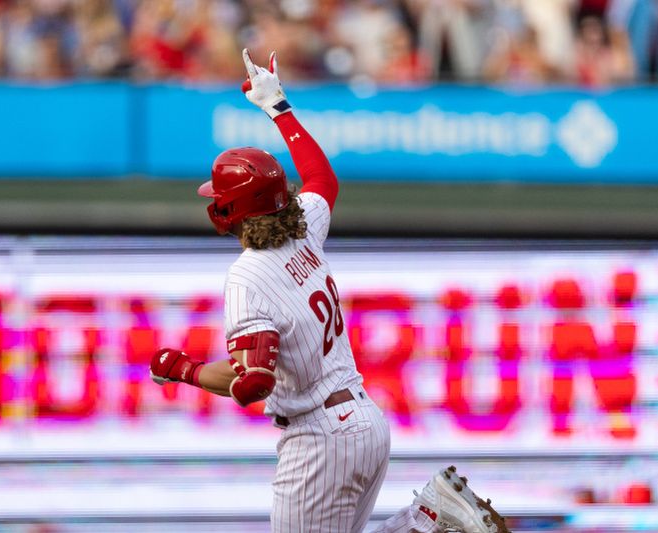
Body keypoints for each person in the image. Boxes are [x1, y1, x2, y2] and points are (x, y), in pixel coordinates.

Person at [150, 48, 509, 533]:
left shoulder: (247, 275)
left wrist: (186, 371)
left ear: (229, 212)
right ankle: (427, 518)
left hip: (318, 438)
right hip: (363, 421)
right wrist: (280, 109)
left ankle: (431, 518)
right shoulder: (305, 227)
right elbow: (321, 178)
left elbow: (254, 382)